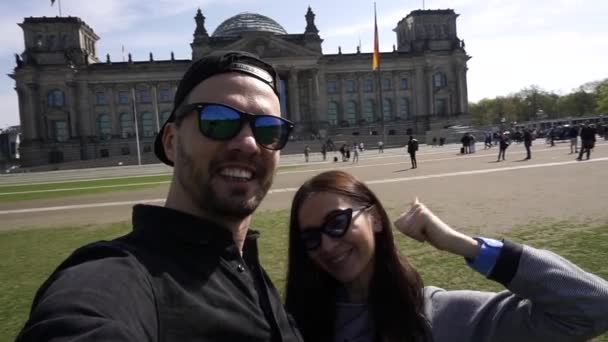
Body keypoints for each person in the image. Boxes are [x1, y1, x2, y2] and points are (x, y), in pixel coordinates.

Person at [16, 51, 303, 342]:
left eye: (269, 128)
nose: (248, 143)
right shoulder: (119, 276)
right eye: (218, 120)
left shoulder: (250, 269)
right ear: (170, 142)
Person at [285, 170, 608, 342]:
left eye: (337, 223)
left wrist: (464, 245)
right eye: (311, 238)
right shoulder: (291, 324)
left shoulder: (443, 317)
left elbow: (593, 306)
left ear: (376, 219)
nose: (327, 246)